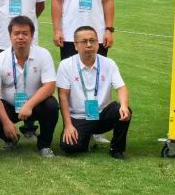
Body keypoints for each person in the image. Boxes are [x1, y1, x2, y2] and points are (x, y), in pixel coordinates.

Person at [0, 16, 59, 157]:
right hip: (9, 106)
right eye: (16, 33)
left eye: (25, 33)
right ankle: (11, 139)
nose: (20, 37)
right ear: (10, 36)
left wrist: (29, 105)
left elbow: (50, 86)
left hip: (34, 105)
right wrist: (6, 122)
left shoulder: (43, 55)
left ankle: (44, 145)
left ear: (32, 35)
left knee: (51, 105)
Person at [56, 25, 132, 159]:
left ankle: (116, 149)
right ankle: (86, 139)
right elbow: (63, 96)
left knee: (123, 111)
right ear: (75, 45)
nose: (89, 44)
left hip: (102, 114)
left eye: (93, 40)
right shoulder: (66, 65)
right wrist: (68, 125)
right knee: (69, 147)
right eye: (84, 41)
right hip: (79, 117)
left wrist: (124, 105)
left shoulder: (109, 63)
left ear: (98, 43)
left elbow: (121, 88)